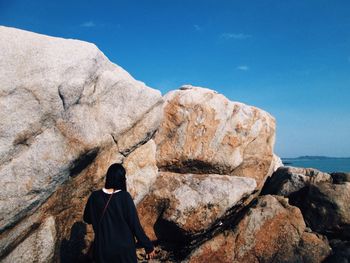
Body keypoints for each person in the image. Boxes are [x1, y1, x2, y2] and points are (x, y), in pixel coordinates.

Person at [83, 163, 156, 262]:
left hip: (103, 250)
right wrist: (148, 246)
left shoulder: (94, 197)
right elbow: (135, 226)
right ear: (122, 179)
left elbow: (87, 218)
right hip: (124, 251)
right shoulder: (125, 197)